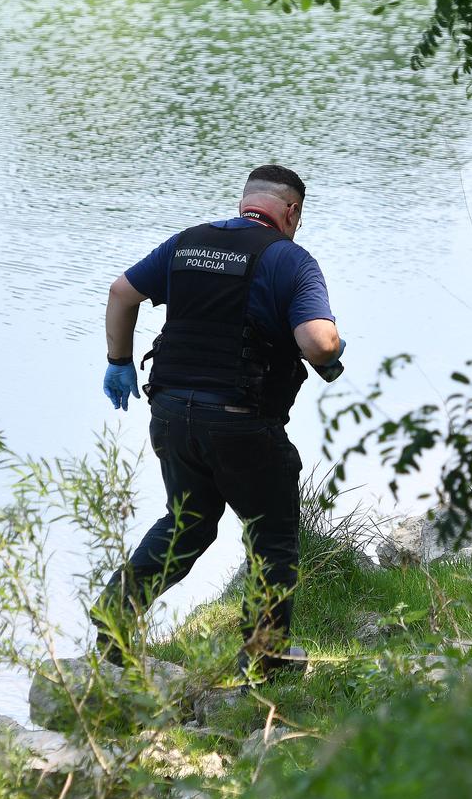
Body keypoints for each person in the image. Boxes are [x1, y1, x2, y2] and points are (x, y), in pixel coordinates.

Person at [94, 164, 343, 679]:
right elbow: (319, 343)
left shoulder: (186, 244)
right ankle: (266, 659)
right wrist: (334, 349)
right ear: (291, 211)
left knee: (187, 522)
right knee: (271, 537)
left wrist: (119, 361)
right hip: (239, 423)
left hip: (170, 415)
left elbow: (121, 293)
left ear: (245, 202)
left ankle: (116, 612)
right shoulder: (290, 259)